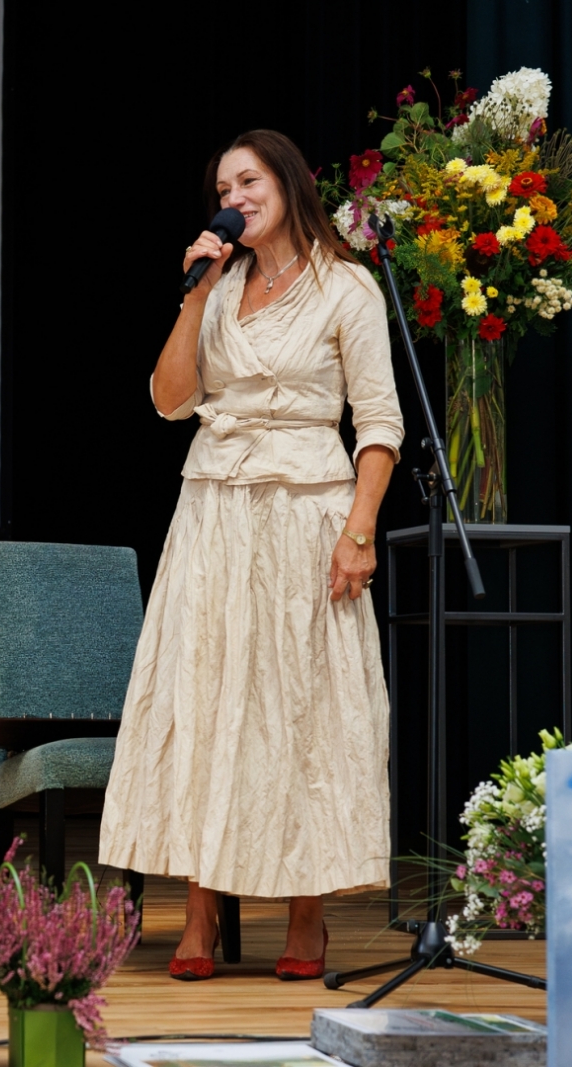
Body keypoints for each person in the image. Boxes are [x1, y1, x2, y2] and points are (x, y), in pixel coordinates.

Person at [97, 130, 404, 982]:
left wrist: (358, 530)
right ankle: (197, 912)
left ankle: (307, 918)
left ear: (288, 184)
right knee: (203, 697)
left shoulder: (347, 287)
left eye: (250, 178)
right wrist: (193, 296)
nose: (235, 193)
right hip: (212, 511)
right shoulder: (220, 283)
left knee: (299, 707)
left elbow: (378, 425)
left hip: (307, 511)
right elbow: (168, 400)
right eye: (225, 185)